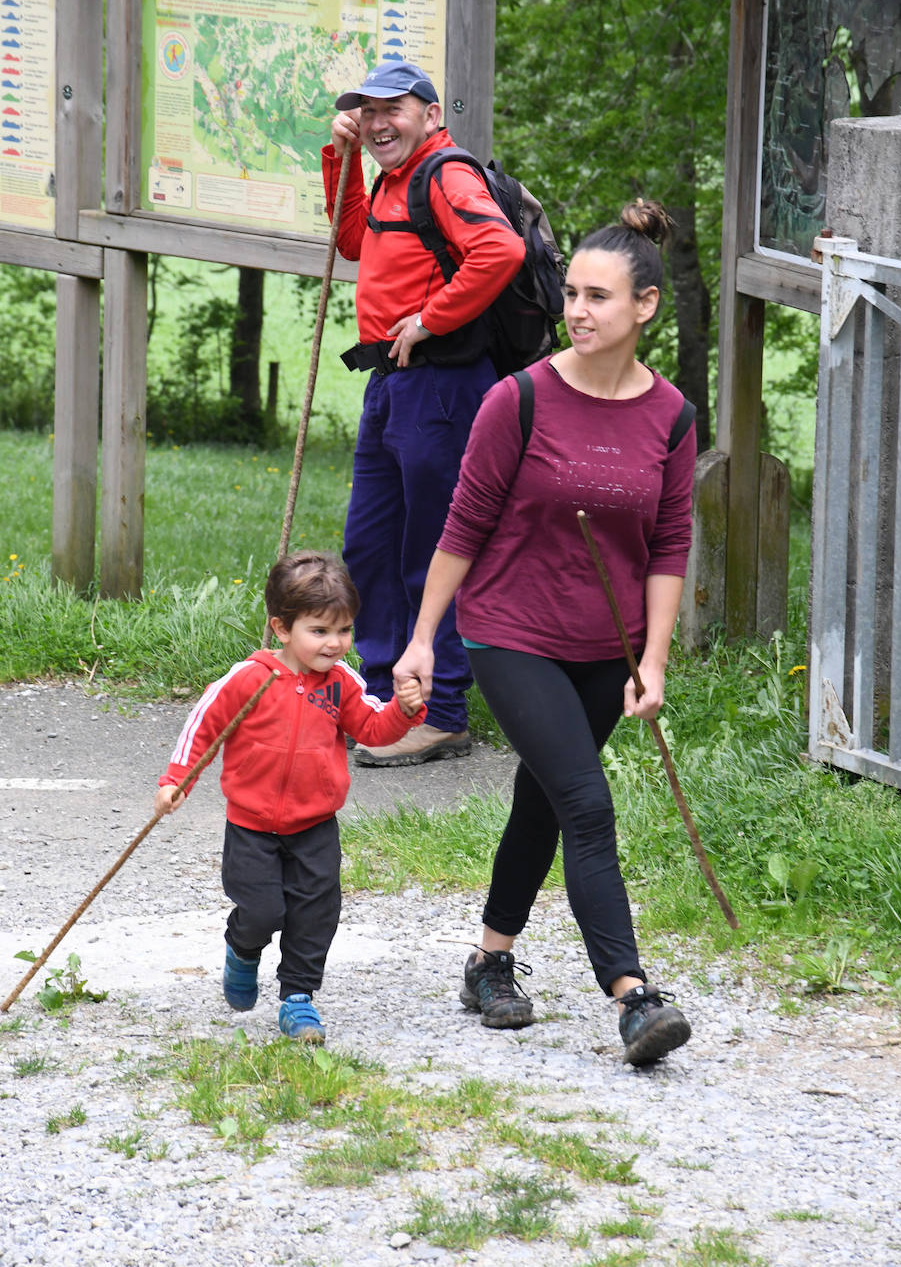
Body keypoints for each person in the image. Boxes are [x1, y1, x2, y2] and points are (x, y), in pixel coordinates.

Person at [393, 201, 696, 1066]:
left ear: (643, 307)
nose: (578, 310)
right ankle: (633, 996)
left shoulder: (670, 416)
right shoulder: (517, 399)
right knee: (587, 804)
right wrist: (423, 639)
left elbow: (670, 543)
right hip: (511, 629)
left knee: (545, 796)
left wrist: (655, 661)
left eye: (599, 297)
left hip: (609, 647)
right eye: (571, 294)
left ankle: (489, 962)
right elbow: (463, 524)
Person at [321, 60, 525, 768]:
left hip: (440, 388)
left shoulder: (445, 173)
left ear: (431, 115)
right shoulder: (391, 178)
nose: (378, 121)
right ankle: (382, 699)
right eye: (366, 110)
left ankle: (439, 712)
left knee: (429, 554)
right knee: (371, 546)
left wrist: (430, 321)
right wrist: (340, 158)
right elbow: (353, 242)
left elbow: (501, 248)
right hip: (392, 386)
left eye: (393, 108)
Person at [154, 551, 425, 1043]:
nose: (335, 643)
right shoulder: (248, 680)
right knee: (262, 912)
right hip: (252, 825)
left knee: (316, 914)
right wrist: (177, 780)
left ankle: (298, 1000)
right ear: (281, 629)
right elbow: (203, 728)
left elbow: (373, 728)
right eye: (319, 631)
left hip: (314, 825)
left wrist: (404, 713)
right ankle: (242, 948)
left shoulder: (344, 684)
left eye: (343, 630)